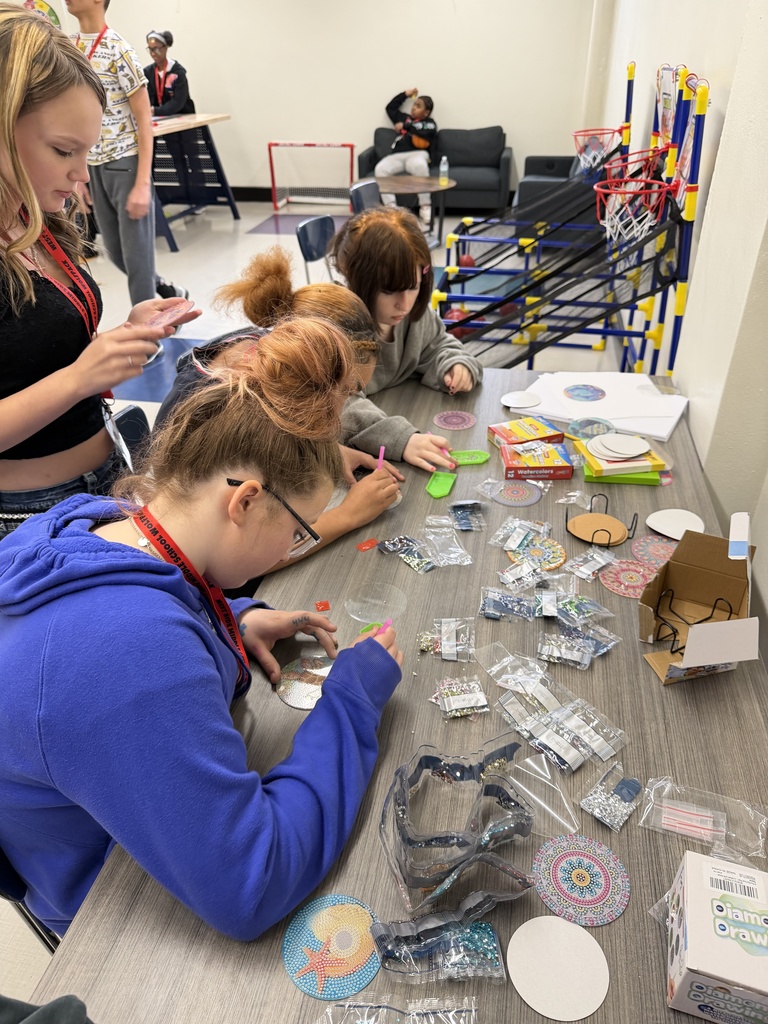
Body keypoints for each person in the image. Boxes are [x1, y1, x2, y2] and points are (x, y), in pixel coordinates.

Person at [0, 316, 404, 941]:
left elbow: (126, 605)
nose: (291, 548)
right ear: (243, 501)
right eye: (298, 530)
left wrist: (230, 619)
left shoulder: (95, 520)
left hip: (128, 810)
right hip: (107, 907)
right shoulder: (129, 656)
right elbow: (252, 883)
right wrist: (352, 702)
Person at [0, 3, 199, 541]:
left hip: (104, 474)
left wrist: (120, 336)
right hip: (29, 516)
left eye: (86, 151)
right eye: (64, 150)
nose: (79, 173)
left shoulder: (32, 220)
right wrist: (79, 379)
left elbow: (31, 350)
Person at [155, 246, 404, 573]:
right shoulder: (233, 417)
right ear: (308, 372)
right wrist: (348, 515)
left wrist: (327, 449)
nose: (342, 410)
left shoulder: (265, 353)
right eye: (345, 392)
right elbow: (243, 559)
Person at [328, 205, 483, 472]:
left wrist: (455, 364)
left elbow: (437, 345)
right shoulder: (335, 332)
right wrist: (402, 439)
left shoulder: (412, 315)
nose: (404, 304)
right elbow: (339, 405)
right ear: (357, 282)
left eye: (412, 287)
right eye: (390, 291)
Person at [65, 0, 187, 324]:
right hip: (94, 165)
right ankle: (162, 286)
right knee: (118, 253)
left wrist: (143, 183)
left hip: (126, 164)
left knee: (136, 259)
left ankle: (148, 334)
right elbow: (74, 116)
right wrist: (78, 174)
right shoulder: (71, 47)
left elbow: (144, 119)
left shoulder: (119, 49)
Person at [374, 88, 437, 228]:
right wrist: (405, 95)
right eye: (414, 104)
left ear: (426, 112)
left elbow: (425, 132)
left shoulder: (429, 123)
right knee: (380, 169)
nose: (414, 108)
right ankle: (391, 209)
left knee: (420, 166)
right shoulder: (404, 118)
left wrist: (405, 126)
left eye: (418, 106)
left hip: (418, 154)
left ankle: (425, 206)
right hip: (397, 155)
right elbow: (390, 108)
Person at [143, 30, 194, 117]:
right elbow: (149, 98)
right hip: (162, 120)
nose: (153, 53)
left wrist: (155, 111)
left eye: (156, 49)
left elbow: (178, 102)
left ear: (165, 48)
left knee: (199, 131)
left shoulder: (178, 72)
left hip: (185, 120)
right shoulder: (148, 72)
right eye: (150, 49)